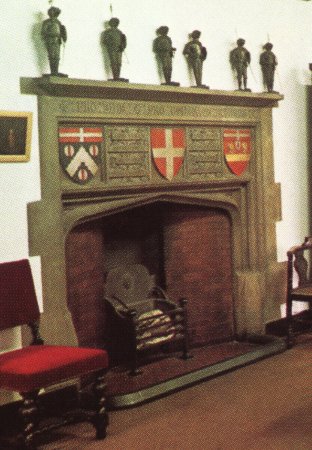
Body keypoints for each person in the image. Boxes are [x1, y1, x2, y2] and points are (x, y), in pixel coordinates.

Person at [41, 6, 67, 76]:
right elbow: (43, 32)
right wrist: (52, 34)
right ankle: (53, 72)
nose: (53, 13)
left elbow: (61, 31)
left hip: (57, 41)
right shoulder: (47, 22)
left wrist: (63, 36)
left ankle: (56, 71)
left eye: (54, 11)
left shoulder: (58, 22)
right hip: (50, 40)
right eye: (51, 11)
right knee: (52, 56)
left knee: (57, 57)